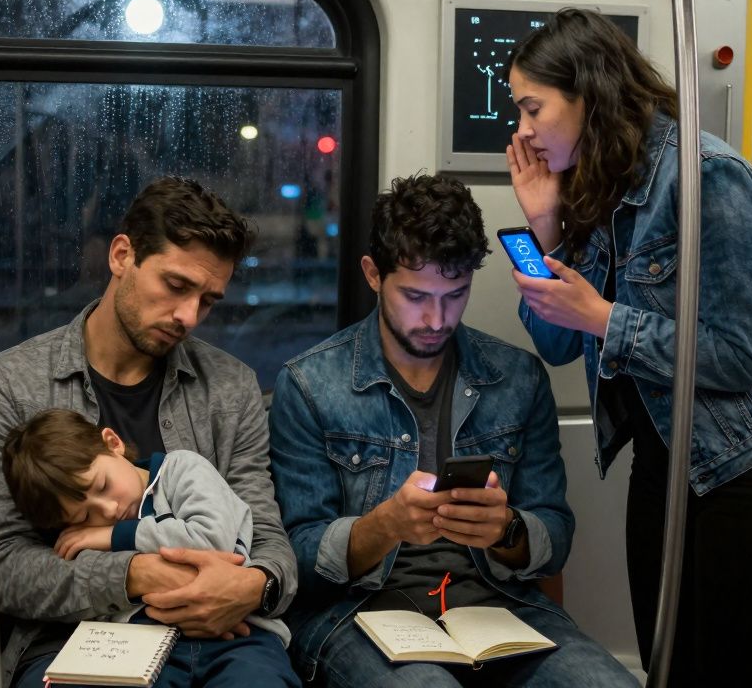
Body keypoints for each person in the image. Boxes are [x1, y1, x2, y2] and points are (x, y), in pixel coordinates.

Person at [503, 8, 752, 687]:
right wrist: (545, 228)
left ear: (588, 97)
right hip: (666, 460)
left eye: (533, 108)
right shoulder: (596, 191)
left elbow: (736, 357)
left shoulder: (706, 177)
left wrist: (603, 316)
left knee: (730, 672)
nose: (524, 131)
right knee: (669, 668)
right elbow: (557, 342)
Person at [268, 174, 638, 687]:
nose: (436, 319)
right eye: (417, 296)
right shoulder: (310, 385)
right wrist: (384, 526)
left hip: (498, 607)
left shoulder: (518, 378)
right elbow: (295, 558)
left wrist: (506, 530)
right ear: (374, 275)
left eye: (456, 294)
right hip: (358, 614)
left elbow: (555, 531)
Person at [0, 176, 298, 687]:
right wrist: (135, 575)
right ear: (121, 255)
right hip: (81, 634)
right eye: (176, 286)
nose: (188, 317)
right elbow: (2, 566)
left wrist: (256, 585)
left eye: (208, 301)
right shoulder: (10, 386)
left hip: (227, 634)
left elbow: (263, 530)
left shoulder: (231, 386)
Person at [0, 409, 295, 686]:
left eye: (103, 485)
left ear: (113, 443)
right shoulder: (81, 535)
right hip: (141, 643)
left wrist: (116, 536)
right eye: (85, 516)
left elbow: (212, 540)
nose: (110, 510)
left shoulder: (182, 469)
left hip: (237, 635)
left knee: (258, 679)